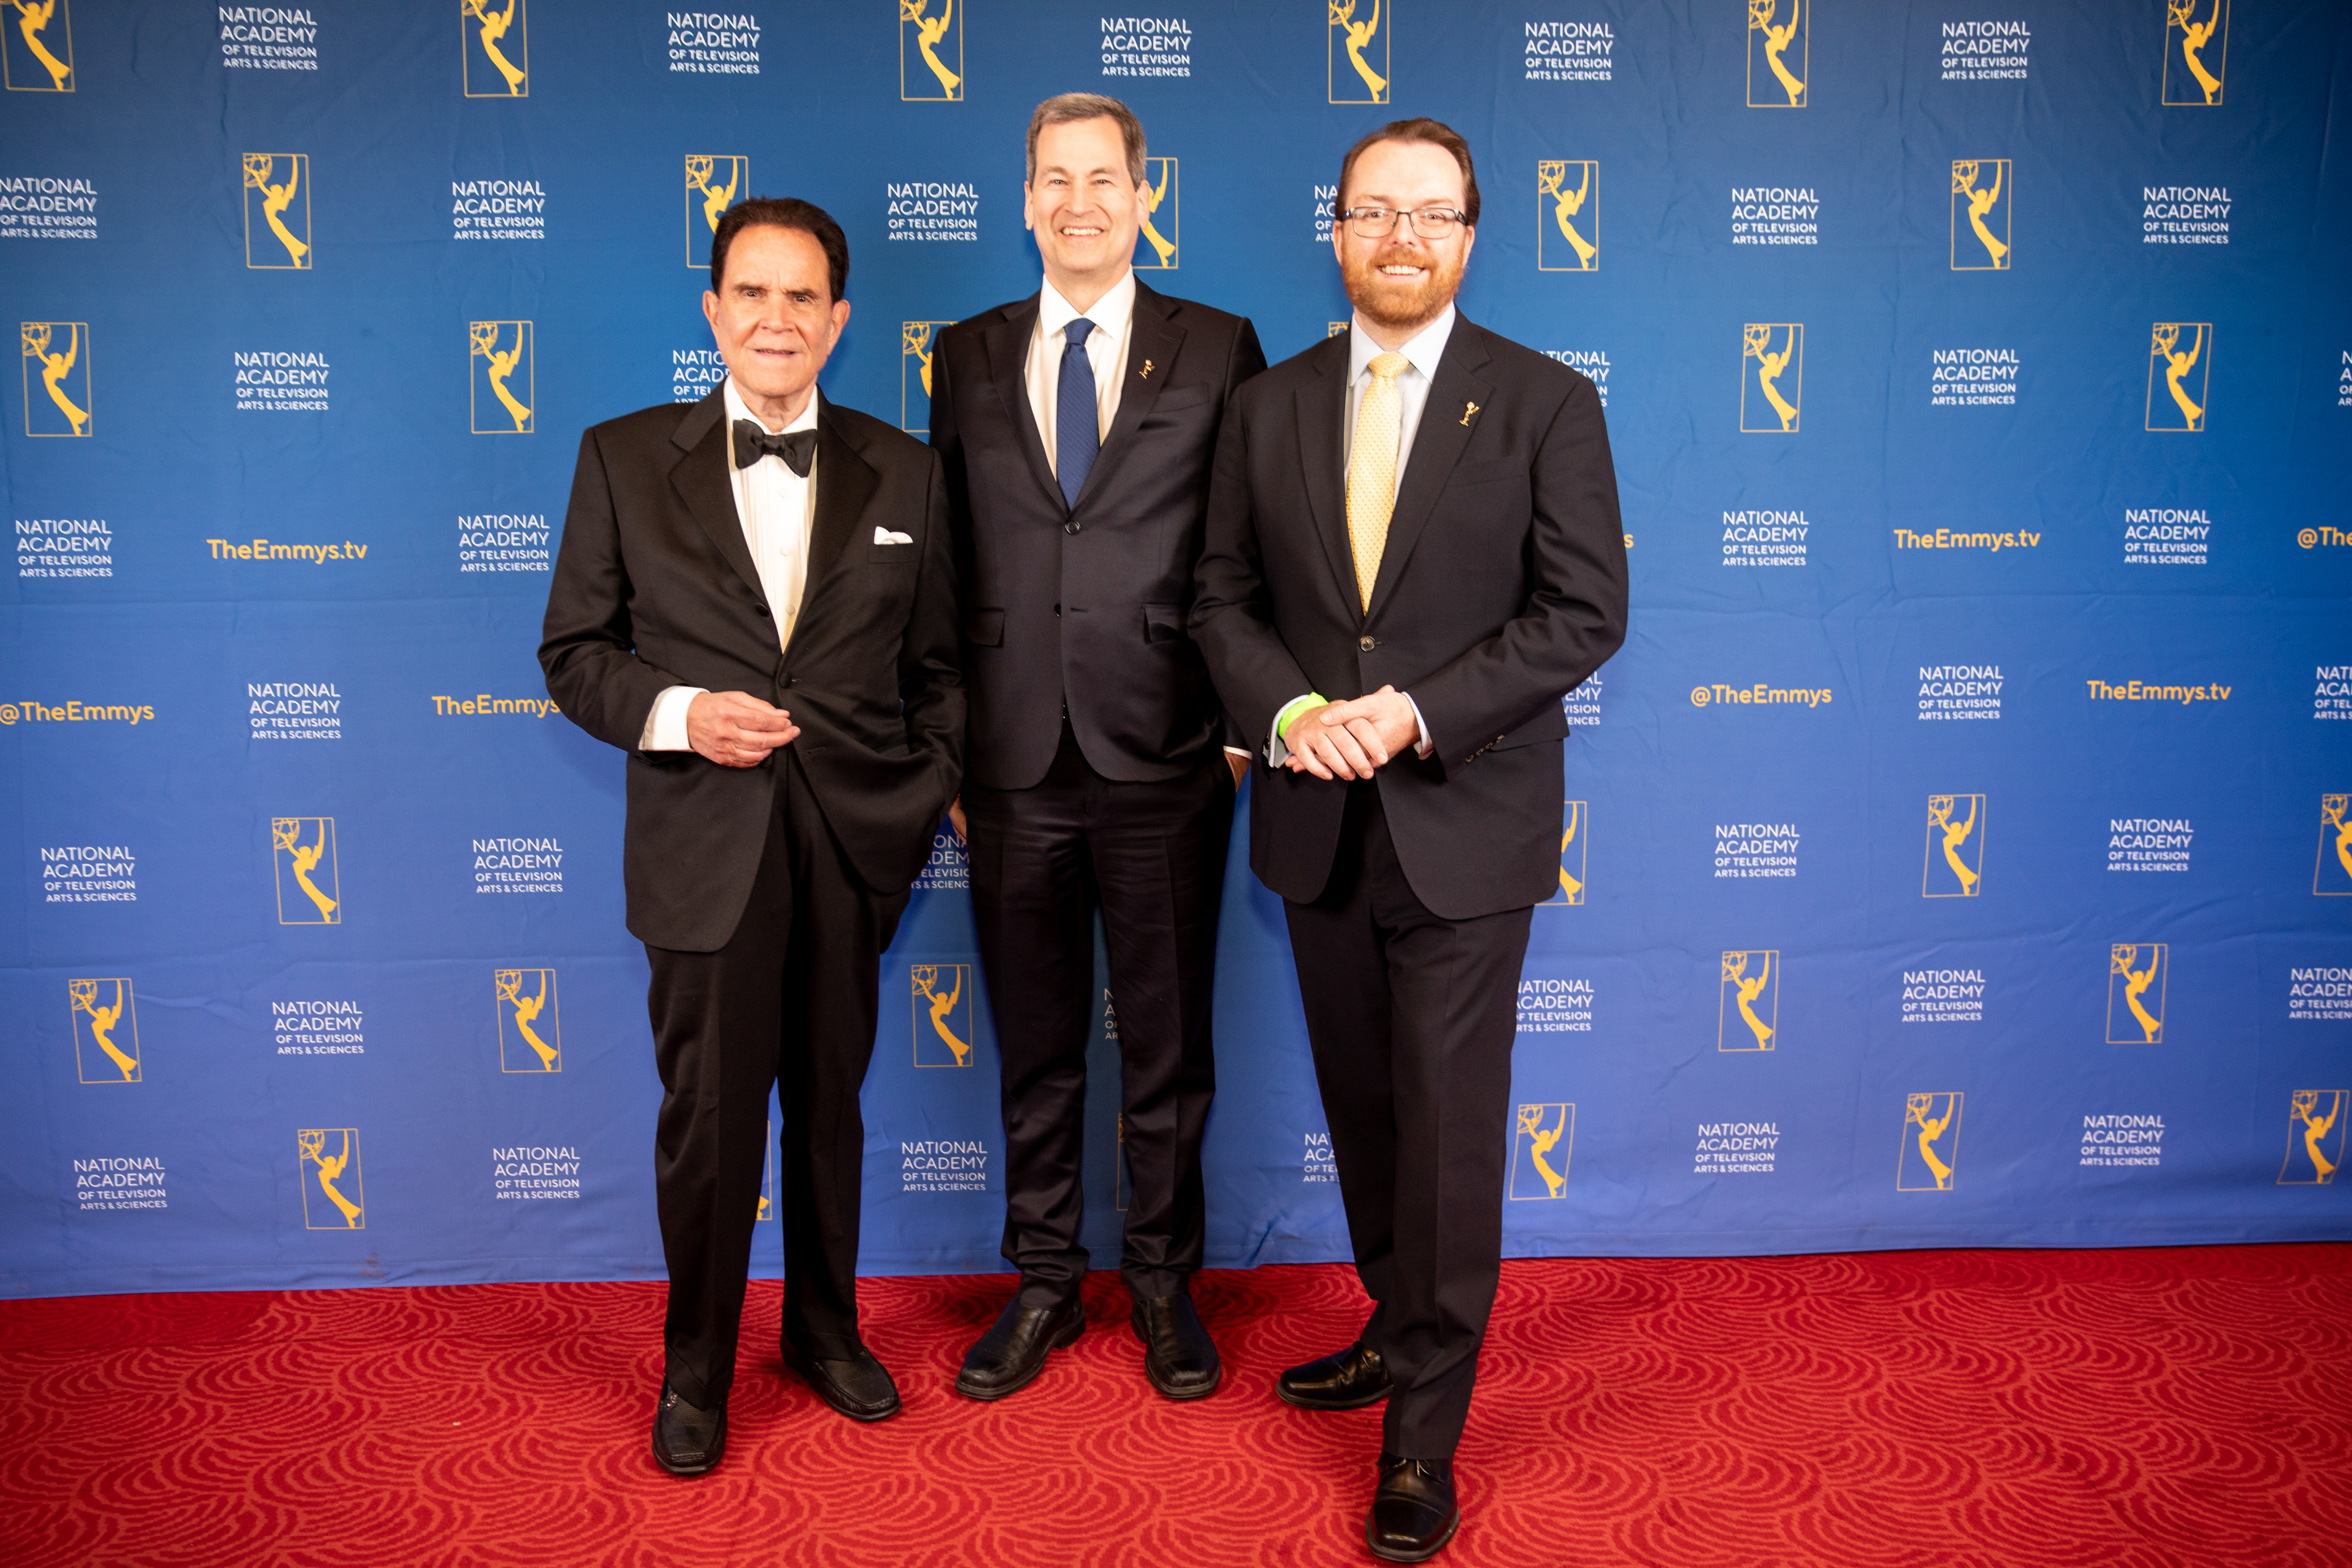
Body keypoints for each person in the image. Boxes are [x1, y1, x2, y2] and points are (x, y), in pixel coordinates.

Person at [1191, 119, 1628, 1562]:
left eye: (1430, 213)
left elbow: (1582, 612)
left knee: (1443, 1132)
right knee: (1369, 1107)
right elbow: (1218, 600)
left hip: (1465, 815)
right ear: (1336, 230)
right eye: (1374, 209)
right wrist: (1293, 709)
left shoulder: (1545, 402)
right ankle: (1396, 1322)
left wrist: (1414, 712)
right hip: (1314, 818)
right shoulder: (1268, 405)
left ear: (1468, 236)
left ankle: (1422, 1436)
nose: (1400, 236)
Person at [539, 196, 962, 1477]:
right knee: (712, 1118)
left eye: (803, 296)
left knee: (829, 1109)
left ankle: (826, 1331)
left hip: (851, 843)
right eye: (752, 292)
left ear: (839, 320)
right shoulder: (622, 456)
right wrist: (679, 713)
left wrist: (922, 785)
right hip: (702, 846)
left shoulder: (907, 469)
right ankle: (698, 1366)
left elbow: (942, 671)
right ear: (714, 311)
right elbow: (573, 653)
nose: (777, 318)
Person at [927, 93, 1265, 1404]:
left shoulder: (1219, 345)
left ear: (1143, 196)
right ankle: (1045, 1282)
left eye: (1103, 178)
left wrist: (1237, 736)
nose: (1079, 203)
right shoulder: (962, 353)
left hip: (1170, 755)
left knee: (1169, 1047)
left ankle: (1165, 1283)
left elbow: (1252, 548)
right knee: (1035, 1043)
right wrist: (951, 751)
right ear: (1025, 201)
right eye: (1055, 180)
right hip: (1010, 764)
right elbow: (945, 566)